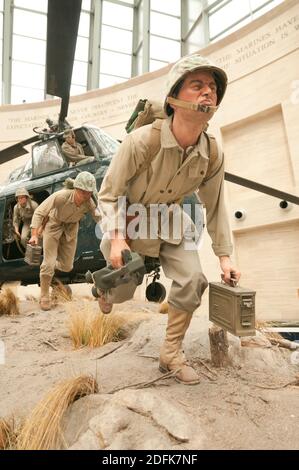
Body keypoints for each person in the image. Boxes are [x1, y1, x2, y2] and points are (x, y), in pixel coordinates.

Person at [97, 54, 241, 385]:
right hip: (131, 220)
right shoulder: (142, 141)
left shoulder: (213, 154)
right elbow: (109, 192)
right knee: (121, 291)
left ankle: (170, 354)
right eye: (197, 85)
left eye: (213, 87)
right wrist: (117, 236)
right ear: (174, 98)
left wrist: (224, 256)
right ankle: (105, 292)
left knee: (194, 280)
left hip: (170, 221)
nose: (208, 92)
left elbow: (216, 205)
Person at [29, 171, 100, 311]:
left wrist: (112, 229)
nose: (86, 196)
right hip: (53, 225)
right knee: (48, 264)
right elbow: (39, 212)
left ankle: (48, 266)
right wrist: (34, 234)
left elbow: (98, 216)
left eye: (89, 193)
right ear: (77, 189)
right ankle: (44, 295)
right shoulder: (61, 196)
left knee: (67, 266)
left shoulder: (89, 202)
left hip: (71, 229)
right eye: (84, 192)